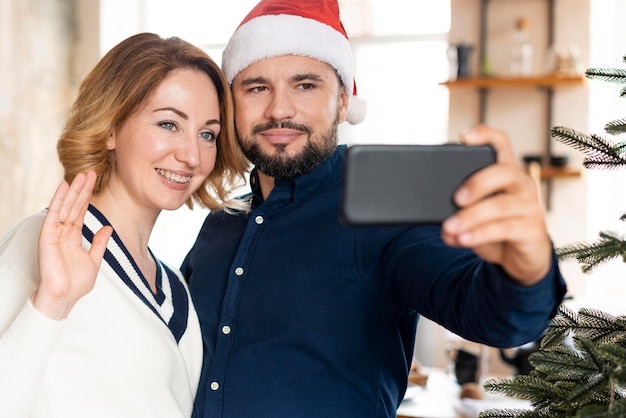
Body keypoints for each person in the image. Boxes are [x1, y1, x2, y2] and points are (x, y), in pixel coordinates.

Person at [181, 1, 568, 417]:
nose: (279, 109)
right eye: (256, 87)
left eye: (305, 85)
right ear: (232, 104)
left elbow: (494, 316)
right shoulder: (220, 222)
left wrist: (525, 268)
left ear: (344, 102)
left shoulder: (382, 212)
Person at [0, 32, 248, 417]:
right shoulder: (38, 244)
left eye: (207, 134)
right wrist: (51, 302)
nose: (191, 155)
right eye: (168, 124)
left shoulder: (174, 284)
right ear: (112, 127)